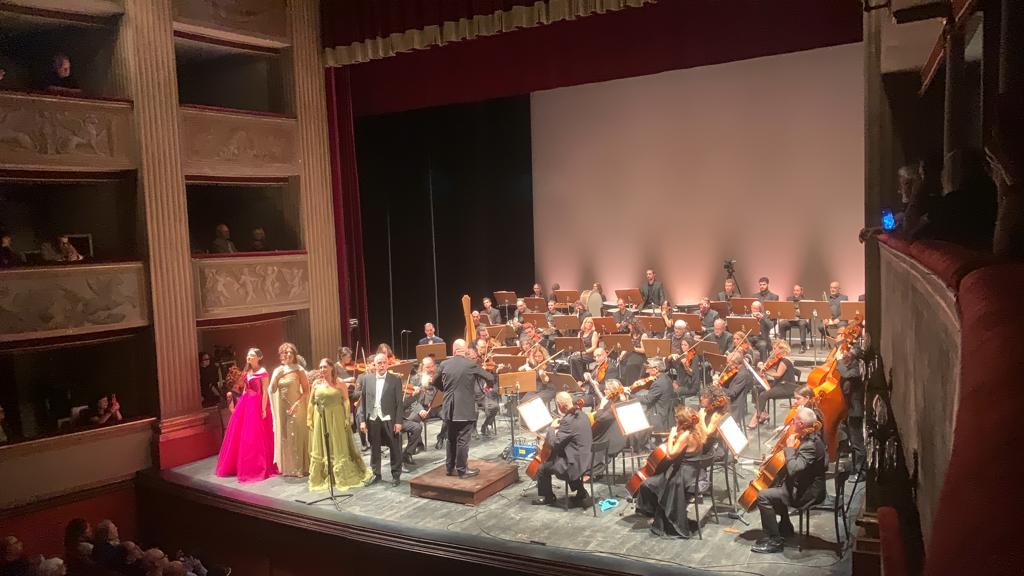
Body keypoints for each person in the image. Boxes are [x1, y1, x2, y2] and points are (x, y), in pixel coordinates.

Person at [752, 406, 827, 554]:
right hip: (805, 486)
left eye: (794, 420)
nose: (791, 422)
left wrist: (790, 449)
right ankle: (785, 527)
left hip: (807, 494)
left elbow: (794, 469)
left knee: (763, 496)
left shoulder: (810, 445)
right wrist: (775, 457)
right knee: (778, 485)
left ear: (801, 424)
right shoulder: (812, 437)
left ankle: (775, 541)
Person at [636, 405, 707, 539]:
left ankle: (659, 516)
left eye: (677, 420)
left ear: (682, 422)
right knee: (653, 482)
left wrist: (671, 436)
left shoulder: (685, 435)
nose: (675, 422)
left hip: (682, 476)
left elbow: (670, 454)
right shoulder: (697, 431)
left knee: (647, 484)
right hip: (693, 472)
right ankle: (658, 513)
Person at [431, 339, 495, 478]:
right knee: (463, 440)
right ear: (465, 349)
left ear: (453, 350)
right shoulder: (470, 364)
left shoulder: (444, 364)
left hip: (448, 408)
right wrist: (488, 386)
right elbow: (490, 377)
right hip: (464, 408)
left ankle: (449, 468)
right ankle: (462, 470)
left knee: (451, 439)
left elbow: (434, 381)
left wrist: (445, 389)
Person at [307, 358, 372, 491]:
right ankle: (327, 475)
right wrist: (309, 418)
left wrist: (347, 417)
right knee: (323, 445)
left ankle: (341, 475)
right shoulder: (316, 384)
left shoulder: (339, 382)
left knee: (338, 444)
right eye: (320, 367)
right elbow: (311, 402)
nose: (322, 369)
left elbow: (346, 401)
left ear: (331, 368)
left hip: (336, 417)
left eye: (325, 367)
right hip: (321, 418)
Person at [215, 348, 276, 482]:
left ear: (259, 357)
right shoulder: (247, 372)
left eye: (252, 355)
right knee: (244, 434)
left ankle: (258, 465)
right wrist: (240, 406)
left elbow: (265, 392)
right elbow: (244, 390)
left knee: (257, 435)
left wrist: (263, 408)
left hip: (257, 404)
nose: (249, 357)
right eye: (248, 355)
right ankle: (240, 464)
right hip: (247, 404)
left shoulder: (263, 372)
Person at [532, 391, 593, 508]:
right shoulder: (583, 415)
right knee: (564, 455)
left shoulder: (567, 421)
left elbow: (555, 444)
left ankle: (548, 498)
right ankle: (581, 492)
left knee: (542, 468)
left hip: (574, 466)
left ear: (559, 405)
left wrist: (551, 429)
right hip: (587, 460)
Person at [356, 353, 404, 487]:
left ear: (387, 364)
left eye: (384, 363)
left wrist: (398, 421)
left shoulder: (395, 379)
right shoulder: (367, 379)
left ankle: (396, 475)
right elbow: (363, 401)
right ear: (374, 365)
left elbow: (399, 403)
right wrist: (362, 420)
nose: (382, 365)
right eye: (379, 363)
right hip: (373, 418)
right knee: (374, 448)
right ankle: (376, 474)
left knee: (394, 447)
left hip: (389, 418)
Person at [269, 343, 310, 477]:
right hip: (283, 408)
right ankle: (289, 468)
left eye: (290, 352)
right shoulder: (278, 370)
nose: (288, 354)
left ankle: (300, 468)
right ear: (281, 355)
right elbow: (272, 390)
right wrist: (277, 376)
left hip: (297, 406)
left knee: (296, 435)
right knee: (286, 435)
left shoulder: (299, 369)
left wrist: (297, 403)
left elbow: (306, 390)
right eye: (285, 352)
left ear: (294, 355)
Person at [750, 340, 798, 429]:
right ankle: (764, 414)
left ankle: (755, 418)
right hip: (779, 384)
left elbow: (778, 375)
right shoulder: (779, 360)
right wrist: (764, 367)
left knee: (763, 395)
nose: (773, 351)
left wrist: (765, 370)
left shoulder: (785, 361)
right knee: (755, 390)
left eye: (775, 348)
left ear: (782, 350)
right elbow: (774, 371)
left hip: (786, 387)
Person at [590, 379, 627, 476]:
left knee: (590, 441)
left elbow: (600, 418)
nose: (604, 391)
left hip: (613, 439)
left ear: (613, 391)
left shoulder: (614, 405)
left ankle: (593, 469)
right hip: (617, 434)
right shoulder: (618, 400)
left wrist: (601, 406)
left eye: (607, 389)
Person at [838, 346, 865, 474]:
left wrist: (838, 361)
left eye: (848, 353)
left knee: (857, 443)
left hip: (855, 412)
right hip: (847, 410)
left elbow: (845, 374)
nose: (845, 354)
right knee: (848, 438)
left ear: (854, 357)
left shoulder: (857, 369)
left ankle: (861, 471)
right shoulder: (850, 366)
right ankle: (854, 467)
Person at [778, 284, 809, 353]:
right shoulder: (789, 299)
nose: (795, 292)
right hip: (791, 319)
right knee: (782, 323)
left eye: (797, 290)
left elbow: (807, 313)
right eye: (794, 290)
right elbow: (786, 310)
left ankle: (803, 345)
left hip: (800, 319)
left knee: (802, 324)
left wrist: (800, 312)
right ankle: (783, 345)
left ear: (801, 291)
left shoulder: (804, 300)